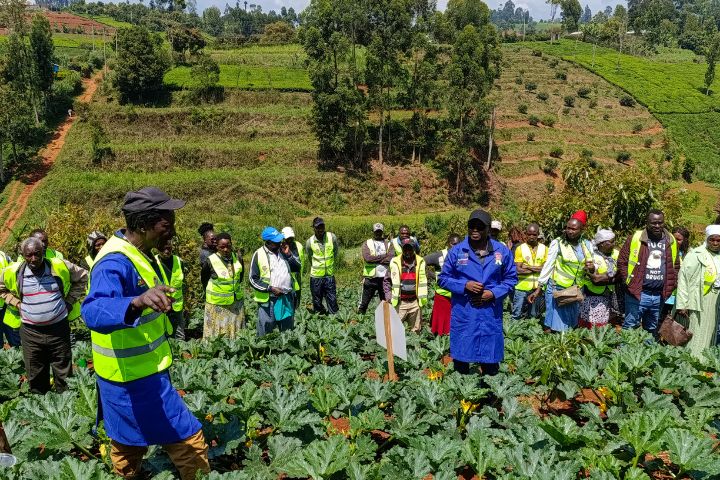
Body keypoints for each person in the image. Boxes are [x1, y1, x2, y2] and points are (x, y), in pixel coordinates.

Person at [81, 186, 210, 479]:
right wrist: (136, 302)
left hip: (136, 374)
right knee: (189, 442)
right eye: (167, 224)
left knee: (127, 443)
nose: (172, 231)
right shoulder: (114, 261)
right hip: (133, 381)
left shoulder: (138, 252)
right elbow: (92, 310)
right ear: (143, 225)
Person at [0, 237, 86, 394]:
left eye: (37, 254)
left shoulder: (59, 266)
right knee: (35, 372)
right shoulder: (14, 272)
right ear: (23, 255)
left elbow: (83, 277)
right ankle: (42, 410)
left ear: (44, 252)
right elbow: (1, 288)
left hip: (58, 329)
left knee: (63, 371)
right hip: (31, 332)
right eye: (29, 255)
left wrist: (69, 301)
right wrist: (16, 302)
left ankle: (66, 405)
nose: (33, 259)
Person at [438, 210, 517, 376]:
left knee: (490, 363)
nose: (475, 230)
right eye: (471, 226)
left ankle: (490, 399)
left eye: (480, 227)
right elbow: (443, 279)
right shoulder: (457, 251)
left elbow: (511, 279)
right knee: (461, 362)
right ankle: (464, 399)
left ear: (488, 229)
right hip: (465, 313)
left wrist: (493, 294)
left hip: (489, 313)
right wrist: (464, 285)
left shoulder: (501, 252)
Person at [617, 209, 679, 338]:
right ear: (647, 223)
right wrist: (628, 282)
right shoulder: (636, 238)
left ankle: (646, 357)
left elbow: (676, 265)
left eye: (660, 223)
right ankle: (623, 357)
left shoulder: (670, 240)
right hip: (638, 292)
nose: (657, 226)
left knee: (651, 329)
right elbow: (622, 261)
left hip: (659, 294)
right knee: (630, 326)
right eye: (654, 223)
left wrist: (672, 284)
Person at [529, 211, 595, 332]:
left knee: (572, 322)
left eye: (574, 229)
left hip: (576, 290)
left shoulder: (587, 245)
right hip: (558, 288)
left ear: (582, 229)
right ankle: (552, 346)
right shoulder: (558, 243)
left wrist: (591, 268)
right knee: (555, 323)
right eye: (568, 228)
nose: (570, 231)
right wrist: (539, 288)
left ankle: (565, 346)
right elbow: (548, 266)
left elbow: (592, 266)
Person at [676, 225, 720, 358]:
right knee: (695, 332)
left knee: (709, 331)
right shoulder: (696, 254)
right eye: (712, 239)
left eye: (719, 240)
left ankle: (705, 364)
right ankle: (691, 363)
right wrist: (682, 303)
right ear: (706, 239)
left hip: (714, 301)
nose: (715, 243)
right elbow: (683, 279)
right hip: (697, 301)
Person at [250, 227, 301, 337]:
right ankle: (264, 352)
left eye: (280, 240)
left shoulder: (283, 252)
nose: (280, 243)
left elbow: (297, 268)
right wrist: (270, 288)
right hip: (269, 300)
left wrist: (289, 255)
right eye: (276, 241)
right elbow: (252, 279)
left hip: (286, 298)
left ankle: (285, 352)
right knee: (266, 330)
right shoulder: (259, 254)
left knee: (287, 330)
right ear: (268, 242)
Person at [201, 232, 244, 339]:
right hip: (217, 305)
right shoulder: (210, 261)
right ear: (217, 247)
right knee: (217, 333)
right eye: (222, 247)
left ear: (231, 245)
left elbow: (240, 277)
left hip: (235, 303)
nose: (225, 249)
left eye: (228, 246)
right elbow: (204, 279)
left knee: (234, 331)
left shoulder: (238, 258)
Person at [384, 238, 428, 332]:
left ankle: (415, 347)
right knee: (394, 330)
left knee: (415, 331)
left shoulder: (420, 262)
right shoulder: (395, 262)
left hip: (415, 303)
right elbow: (387, 280)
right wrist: (389, 296)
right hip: (400, 303)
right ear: (402, 249)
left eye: (410, 249)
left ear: (414, 249)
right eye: (405, 249)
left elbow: (425, 278)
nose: (407, 252)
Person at [580, 229, 619, 328]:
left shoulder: (616, 254)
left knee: (606, 327)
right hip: (592, 297)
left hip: (610, 297)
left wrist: (605, 277)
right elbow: (596, 280)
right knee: (591, 327)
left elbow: (622, 275)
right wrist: (614, 276)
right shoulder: (591, 256)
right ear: (601, 244)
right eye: (611, 242)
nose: (614, 243)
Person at [425, 234, 461, 335]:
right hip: (443, 295)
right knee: (442, 325)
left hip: (458, 295)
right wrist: (434, 275)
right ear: (448, 244)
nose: (455, 246)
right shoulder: (440, 255)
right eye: (453, 244)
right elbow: (421, 262)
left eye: (458, 244)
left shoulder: (464, 255)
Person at [512, 223, 547, 321]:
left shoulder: (545, 249)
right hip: (521, 287)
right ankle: (515, 335)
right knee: (517, 314)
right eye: (529, 234)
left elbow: (545, 269)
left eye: (534, 234)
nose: (531, 237)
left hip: (537, 288)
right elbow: (518, 270)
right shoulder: (520, 248)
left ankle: (530, 335)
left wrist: (527, 266)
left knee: (534, 316)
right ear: (525, 234)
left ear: (538, 234)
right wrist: (538, 268)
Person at [306, 217, 339, 315]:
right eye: (318, 227)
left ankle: (334, 319)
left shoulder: (332, 237)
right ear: (314, 228)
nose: (320, 229)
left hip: (329, 275)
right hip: (316, 277)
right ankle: (320, 318)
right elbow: (310, 257)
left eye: (322, 227)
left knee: (332, 299)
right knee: (317, 300)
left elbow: (335, 252)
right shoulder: (309, 242)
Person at [358, 223, 393, 314]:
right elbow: (368, 258)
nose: (378, 233)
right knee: (363, 304)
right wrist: (384, 256)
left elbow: (391, 258)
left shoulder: (388, 243)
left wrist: (376, 258)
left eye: (380, 231)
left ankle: (385, 323)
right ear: (373, 232)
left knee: (386, 302)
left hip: (385, 278)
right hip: (371, 278)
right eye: (376, 231)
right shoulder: (367, 243)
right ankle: (360, 321)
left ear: (382, 232)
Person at [156, 240, 186, 340]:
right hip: (160, 304)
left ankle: (180, 352)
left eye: (169, 248)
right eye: (163, 249)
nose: (166, 251)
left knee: (179, 333)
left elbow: (183, 283)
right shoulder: (152, 262)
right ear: (157, 249)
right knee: (161, 332)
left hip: (177, 304)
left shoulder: (179, 261)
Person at [664, 226, 691, 313]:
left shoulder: (689, 255)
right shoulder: (664, 250)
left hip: (678, 296)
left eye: (678, 239)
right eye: (673, 238)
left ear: (685, 241)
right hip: (664, 292)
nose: (675, 241)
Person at [282, 226, 305, 309]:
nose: (290, 240)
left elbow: (302, 261)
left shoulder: (299, 245)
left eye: (291, 238)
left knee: (296, 302)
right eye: (288, 239)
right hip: (286, 280)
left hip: (297, 277)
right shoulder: (281, 248)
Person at [0, 250, 18, 347]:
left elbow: (13, 273)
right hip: (6, 302)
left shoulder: (3, 255)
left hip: (7, 305)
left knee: (15, 340)